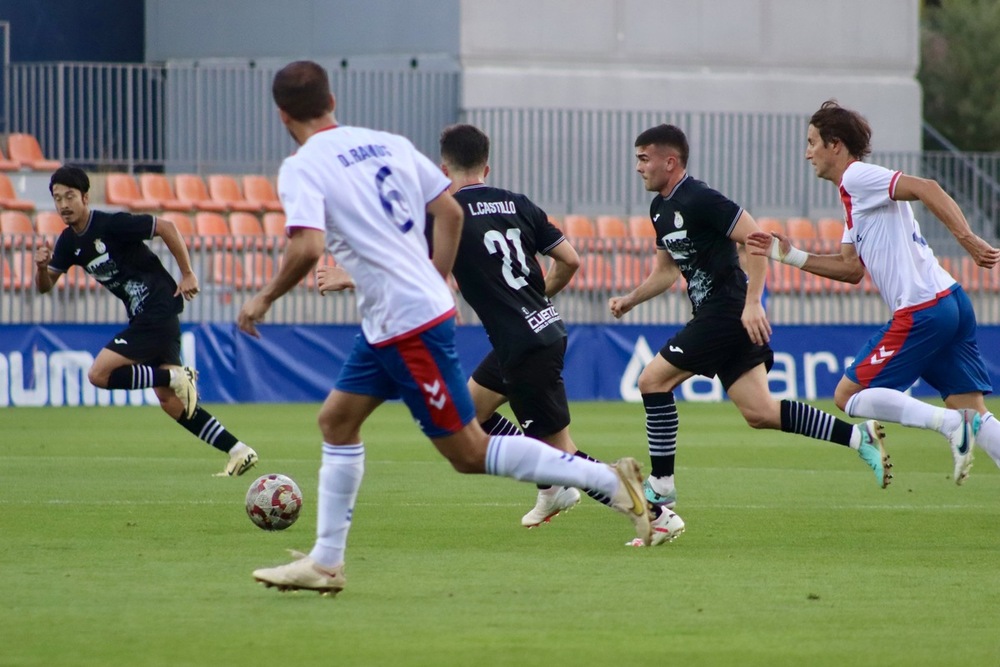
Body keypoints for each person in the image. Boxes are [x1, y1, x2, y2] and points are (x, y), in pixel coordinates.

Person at [237, 60, 654, 596]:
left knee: (468, 453)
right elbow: (450, 215)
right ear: (333, 101)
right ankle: (326, 562)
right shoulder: (386, 143)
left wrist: (264, 298)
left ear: (281, 115)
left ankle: (605, 480)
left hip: (406, 322)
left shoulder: (301, 167)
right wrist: (432, 278)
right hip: (393, 317)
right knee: (337, 421)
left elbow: (308, 246)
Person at [318, 123, 685, 545]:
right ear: (486, 166)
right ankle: (552, 489)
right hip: (540, 329)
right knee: (471, 413)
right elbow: (570, 260)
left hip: (524, 346)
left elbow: (405, 268)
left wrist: (348, 275)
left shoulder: (445, 213)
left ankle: (657, 516)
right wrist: (532, 299)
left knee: (562, 453)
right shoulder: (516, 203)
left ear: (442, 168)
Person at [609, 124, 893, 516]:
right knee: (760, 412)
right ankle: (857, 437)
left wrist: (753, 302)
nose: (638, 167)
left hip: (727, 310)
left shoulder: (700, 197)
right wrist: (630, 300)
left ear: (669, 161)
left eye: (644, 158)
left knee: (651, 380)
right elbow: (667, 271)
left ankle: (661, 487)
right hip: (725, 314)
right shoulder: (660, 208)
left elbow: (756, 238)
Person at [746, 99, 1000, 484]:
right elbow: (850, 269)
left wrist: (966, 238)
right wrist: (791, 255)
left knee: (848, 396)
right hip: (950, 301)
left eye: (812, 141)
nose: (807, 152)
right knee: (976, 414)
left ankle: (950, 425)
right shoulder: (853, 198)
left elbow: (926, 186)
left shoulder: (856, 177)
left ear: (835, 145)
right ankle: (959, 421)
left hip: (923, 309)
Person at [34, 165, 258, 477]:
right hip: (147, 315)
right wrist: (41, 268)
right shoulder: (68, 242)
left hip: (158, 308)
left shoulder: (111, 224)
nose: (63, 205)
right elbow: (45, 287)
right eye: (57, 199)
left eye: (69, 196)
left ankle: (178, 377)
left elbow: (165, 226)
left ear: (85, 197)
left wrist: (188, 272)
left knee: (99, 374)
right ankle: (238, 450)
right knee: (170, 402)